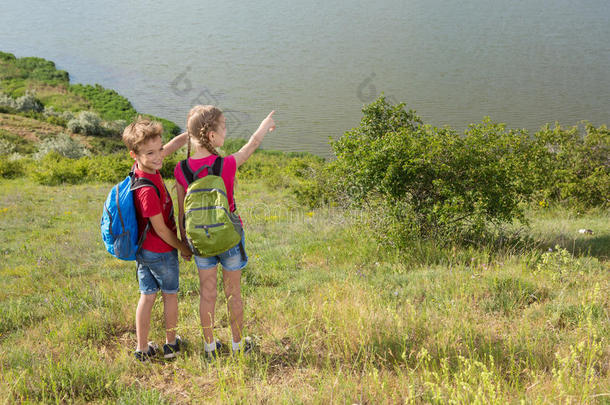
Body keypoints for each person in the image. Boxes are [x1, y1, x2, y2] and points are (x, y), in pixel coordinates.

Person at [174, 105, 275, 358]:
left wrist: (185, 243)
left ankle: (209, 348)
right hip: (229, 237)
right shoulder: (226, 164)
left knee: (207, 293)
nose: (226, 131)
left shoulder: (181, 169)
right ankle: (238, 345)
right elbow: (250, 146)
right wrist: (264, 125)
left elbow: (181, 213)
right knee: (233, 293)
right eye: (224, 127)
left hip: (200, 242)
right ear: (211, 136)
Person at [121, 118, 193, 362]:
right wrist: (183, 247)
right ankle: (171, 345)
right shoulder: (147, 190)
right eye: (150, 152)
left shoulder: (144, 168)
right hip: (161, 251)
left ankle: (142, 349)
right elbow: (161, 230)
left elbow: (166, 150)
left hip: (144, 251)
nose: (158, 156)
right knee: (170, 294)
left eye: (159, 149)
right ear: (134, 153)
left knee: (147, 295)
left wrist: (187, 136)